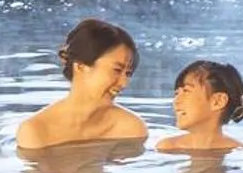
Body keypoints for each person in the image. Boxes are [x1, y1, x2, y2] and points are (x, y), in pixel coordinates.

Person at [15, 17, 147, 150]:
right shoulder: (36, 132)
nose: (124, 83)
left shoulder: (131, 128)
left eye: (128, 74)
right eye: (117, 70)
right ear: (80, 66)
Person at [156, 59, 243, 153]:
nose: (176, 101)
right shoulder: (166, 148)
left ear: (218, 101)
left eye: (186, 91)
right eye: (177, 93)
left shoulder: (239, 151)